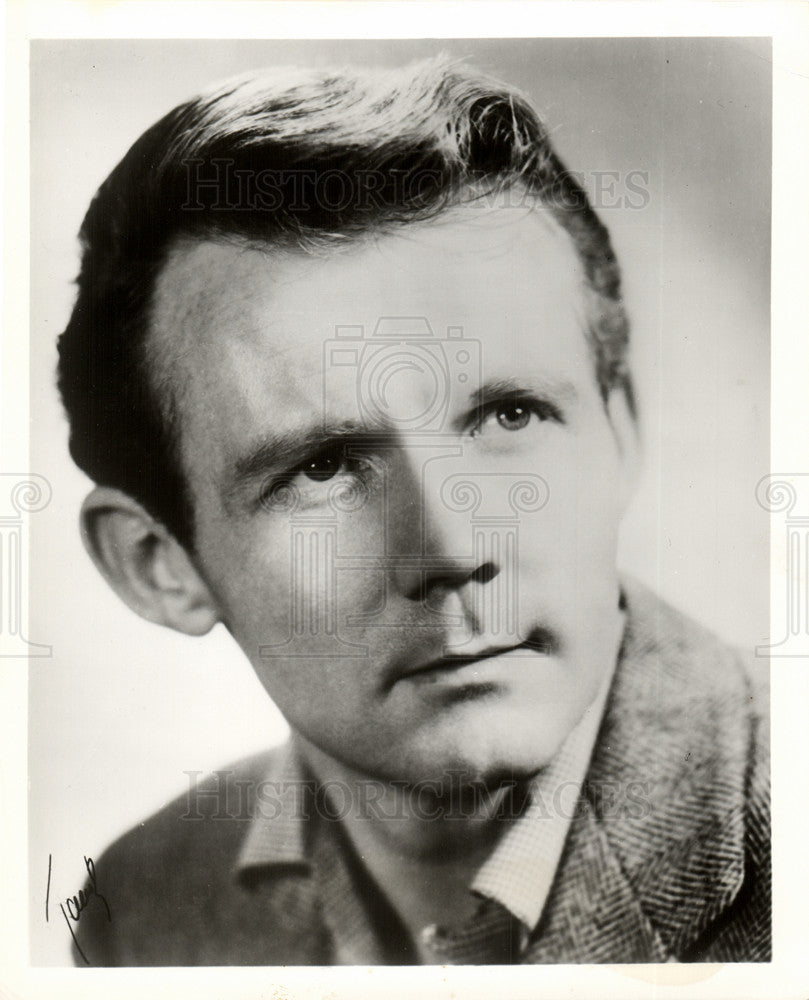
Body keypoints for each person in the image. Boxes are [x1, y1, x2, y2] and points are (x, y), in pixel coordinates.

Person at [58, 55, 770, 965]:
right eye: (323, 466)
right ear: (158, 566)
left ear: (618, 428)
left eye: (510, 414)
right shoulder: (144, 902)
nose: (457, 544)